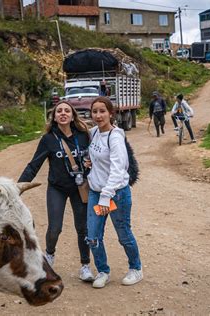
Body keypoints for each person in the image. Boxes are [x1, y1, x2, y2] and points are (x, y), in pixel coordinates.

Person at [18, 100, 95, 282]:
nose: (62, 113)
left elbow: (97, 157)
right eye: (59, 111)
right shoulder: (48, 140)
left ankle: (85, 266)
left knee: (82, 228)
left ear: (72, 115)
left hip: (79, 188)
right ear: (54, 116)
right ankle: (49, 256)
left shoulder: (84, 135)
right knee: (54, 228)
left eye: (66, 111)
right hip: (57, 188)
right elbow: (34, 164)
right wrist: (18, 187)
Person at [85, 96, 142, 288]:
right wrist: (89, 163)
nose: (98, 115)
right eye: (95, 111)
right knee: (93, 236)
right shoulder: (93, 133)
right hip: (96, 194)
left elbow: (119, 168)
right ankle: (103, 271)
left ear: (111, 113)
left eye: (102, 111)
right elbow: (95, 156)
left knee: (123, 234)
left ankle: (136, 269)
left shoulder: (115, 136)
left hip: (115, 195)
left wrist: (105, 195)